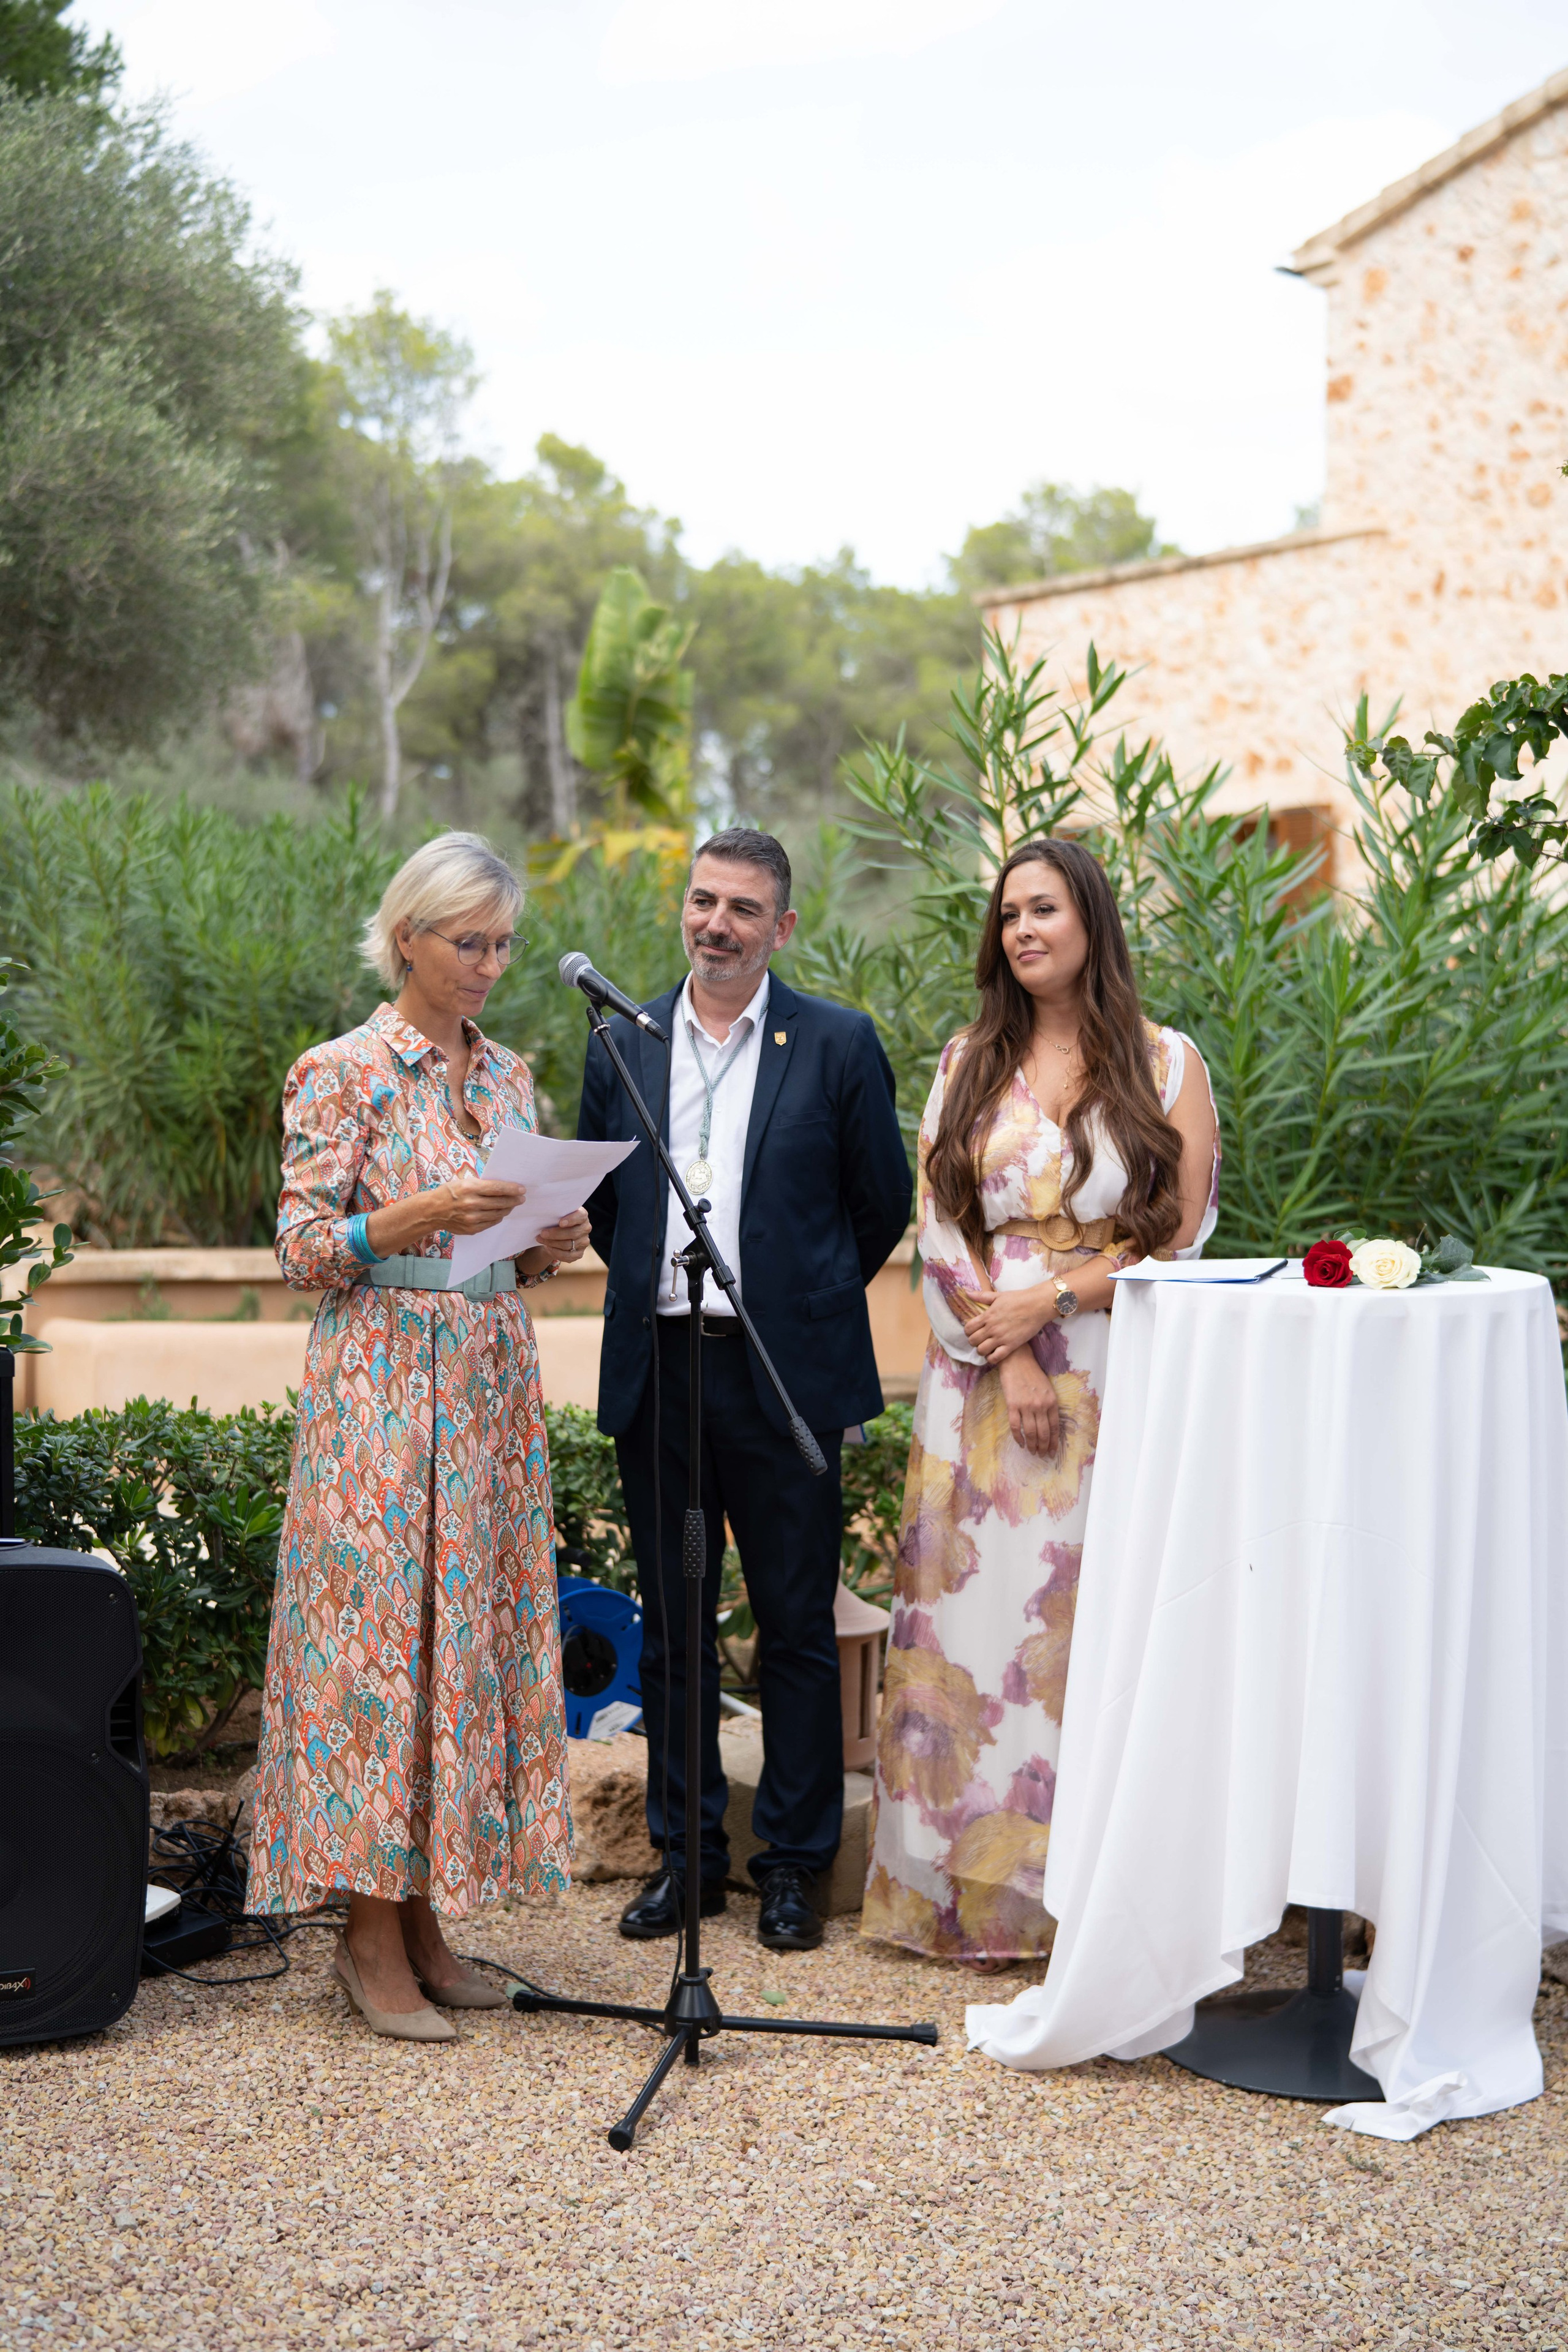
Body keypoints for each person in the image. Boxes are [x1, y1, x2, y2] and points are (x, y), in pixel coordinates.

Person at [247, 832, 592, 2041]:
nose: (490, 964)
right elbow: (300, 1252)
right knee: (378, 1656)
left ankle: (429, 1917)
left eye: (502, 942)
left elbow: (515, 1256)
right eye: (468, 942)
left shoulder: (508, 1077)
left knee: (463, 1650)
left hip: (491, 1396)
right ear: (408, 938)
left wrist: (550, 1242)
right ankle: (365, 1935)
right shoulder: (337, 1072)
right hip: (380, 1402)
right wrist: (413, 1215)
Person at [862, 837, 1218, 1968]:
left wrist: (1057, 1299)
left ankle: (1101, 1900)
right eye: (1009, 913)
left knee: (1089, 1630)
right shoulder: (969, 1060)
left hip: (1118, 1372)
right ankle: (981, 1902)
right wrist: (1008, 1354)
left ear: (1091, 922)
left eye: (1045, 910)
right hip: (980, 1385)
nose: (1022, 930)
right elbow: (945, 1230)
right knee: (980, 1631)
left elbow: (1183, 1231)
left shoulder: (1166, 1065)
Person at [577, 827, 913, 1951]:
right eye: (702, 901)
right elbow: (610, 1201)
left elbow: (880, 1206)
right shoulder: (624, 1038)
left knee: (796, 1629)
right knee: (672, 1624)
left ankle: (793, 1869)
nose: (715, 924)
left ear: (784, 927)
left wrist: (800, 1295)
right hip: (664, 1368)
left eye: (742, 908)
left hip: (783, 1376)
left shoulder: (837, 1043)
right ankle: (687, 1860)